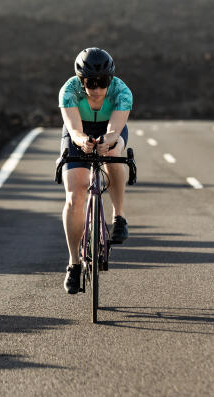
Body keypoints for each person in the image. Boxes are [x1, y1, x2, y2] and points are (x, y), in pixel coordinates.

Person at [58, 47, 133, 294]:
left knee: (115, 151)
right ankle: (74, 263)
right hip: (79, 131)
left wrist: (107, 141)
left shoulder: (121, 92)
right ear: (81, 81)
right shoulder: (69, 92)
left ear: (110, 80)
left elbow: (115, 129)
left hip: (110, 129)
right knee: (75, 195)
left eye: (103, 82)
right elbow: (74, 130)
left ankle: (118, 216)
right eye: (91, 83)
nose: (98, 89)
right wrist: (83, 142)